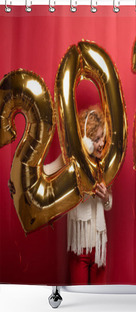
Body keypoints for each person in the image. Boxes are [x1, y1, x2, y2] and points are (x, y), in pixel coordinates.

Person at [43, 105, 112, 285]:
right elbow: (46, 172)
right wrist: (20, 180)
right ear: (86, 142)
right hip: (79, 246)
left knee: (99, 304)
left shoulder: (103, 165)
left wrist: (106, 198)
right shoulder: (70, 160)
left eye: (102, 138)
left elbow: (109, 203)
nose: (101, 144)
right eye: (96, 139)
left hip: (99, 249)